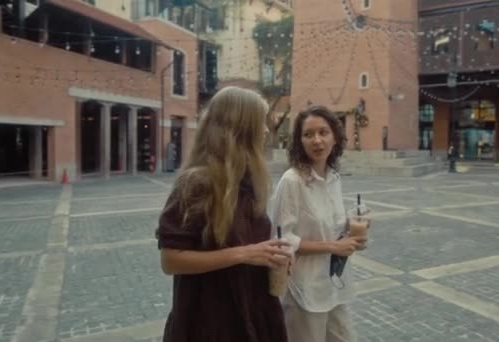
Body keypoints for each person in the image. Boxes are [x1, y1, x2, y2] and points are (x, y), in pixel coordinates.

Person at [155, 86, 291, 342]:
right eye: (259, 123)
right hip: (211, 322)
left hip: (254, 313)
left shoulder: (249, 182)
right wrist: (244, 254)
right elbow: (171, 260)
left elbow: (253, 248)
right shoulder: (196, 184)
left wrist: (272, 257)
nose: (264, 130)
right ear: (240, 128)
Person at [270, 105, 367, 342]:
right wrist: (334, 247)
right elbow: (283, 239)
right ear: (299, 141)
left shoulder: (333, 177)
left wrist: (353, 230)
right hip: (304, 289)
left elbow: (332, 228)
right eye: (308, 134)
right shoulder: (292, 181)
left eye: (323, 132)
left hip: (334, 284)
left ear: (335, 136)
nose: (317, 140)